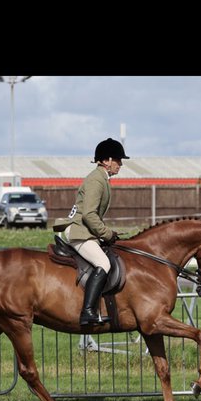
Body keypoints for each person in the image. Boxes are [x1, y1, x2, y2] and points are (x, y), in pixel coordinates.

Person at [53, 137, 129, 327]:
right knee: (103, 262)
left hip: (86, 231)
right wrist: (107, 234)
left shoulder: (101, 178)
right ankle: (87, 312)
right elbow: (88, 214)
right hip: (79, 231)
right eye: (118, 160)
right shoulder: (97, 180)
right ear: (107, 160)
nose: (120, 164)